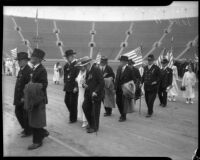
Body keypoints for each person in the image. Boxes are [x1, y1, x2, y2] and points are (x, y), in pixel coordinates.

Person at [25, 48, 49, 150]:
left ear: (38, 59)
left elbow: (44, 85)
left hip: (38, 99)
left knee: (37, 120)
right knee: (34, 118)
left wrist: (31, 86)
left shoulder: (42, 70)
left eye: (33, 57)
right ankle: (42, 133)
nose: (31, 58)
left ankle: (37, 142)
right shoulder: (34, 68)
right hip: (33, 98)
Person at [82, 56, 105, 133]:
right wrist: (84, 84)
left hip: (96, 95)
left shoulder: (96, 69)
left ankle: (95, 127)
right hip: (88, 94)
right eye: (83, 66)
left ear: (88, 64)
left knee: (95, 112)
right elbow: (87, 81)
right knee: (85, 107)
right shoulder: (88, 70)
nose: (84, 67)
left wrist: (96, 91)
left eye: (85, 66)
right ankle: (91, 123)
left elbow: (102, 83)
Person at [13, 52, 32, 137]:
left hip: (24, 98)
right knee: (18, 112)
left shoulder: (29, 71)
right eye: (18, 60)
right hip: (18, 97)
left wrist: (24, 97)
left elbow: (30, 85)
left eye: (20, 60)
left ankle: (28, 131)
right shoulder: (21, 69)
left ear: (25, 61)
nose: (18, 62)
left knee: (25, 115)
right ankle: (26, 128)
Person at [115, 55, 137, 122]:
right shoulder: (119, 68)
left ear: (125, 62)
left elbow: (134, 80)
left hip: (125, 90)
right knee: (118, 102)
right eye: (120, 61)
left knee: (123, 103)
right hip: (118, 89)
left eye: (121, 61)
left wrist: (129, 86)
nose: (120, 62)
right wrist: (114, 87)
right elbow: (116, 78)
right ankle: (122, 113)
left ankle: (123, 116)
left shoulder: (129, 69)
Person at [63, 49, 79, 123]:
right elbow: (65, 75)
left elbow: (78, 76)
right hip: (68, 86)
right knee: (66, 101)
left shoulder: (77, 64)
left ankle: (73, 118)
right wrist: (65, 82)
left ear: (72, 56)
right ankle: (73, 113)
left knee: (73, 103)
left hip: (73, 87)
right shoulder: (66, 65)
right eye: (66, 57)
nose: (66, 58)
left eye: (67, 57)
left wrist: (76, 86)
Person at [75, 57, 88, 128]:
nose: (79, 68)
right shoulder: (80, 72)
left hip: (84, 91)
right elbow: (78, 79)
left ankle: (85, 121)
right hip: (80, 91)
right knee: (79, 105)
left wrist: (80, 82)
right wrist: (77, 80)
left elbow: (85, 82)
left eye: (81, 66)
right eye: (79, 67)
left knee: (84, 105)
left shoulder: (86, 72)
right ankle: (82, 118)